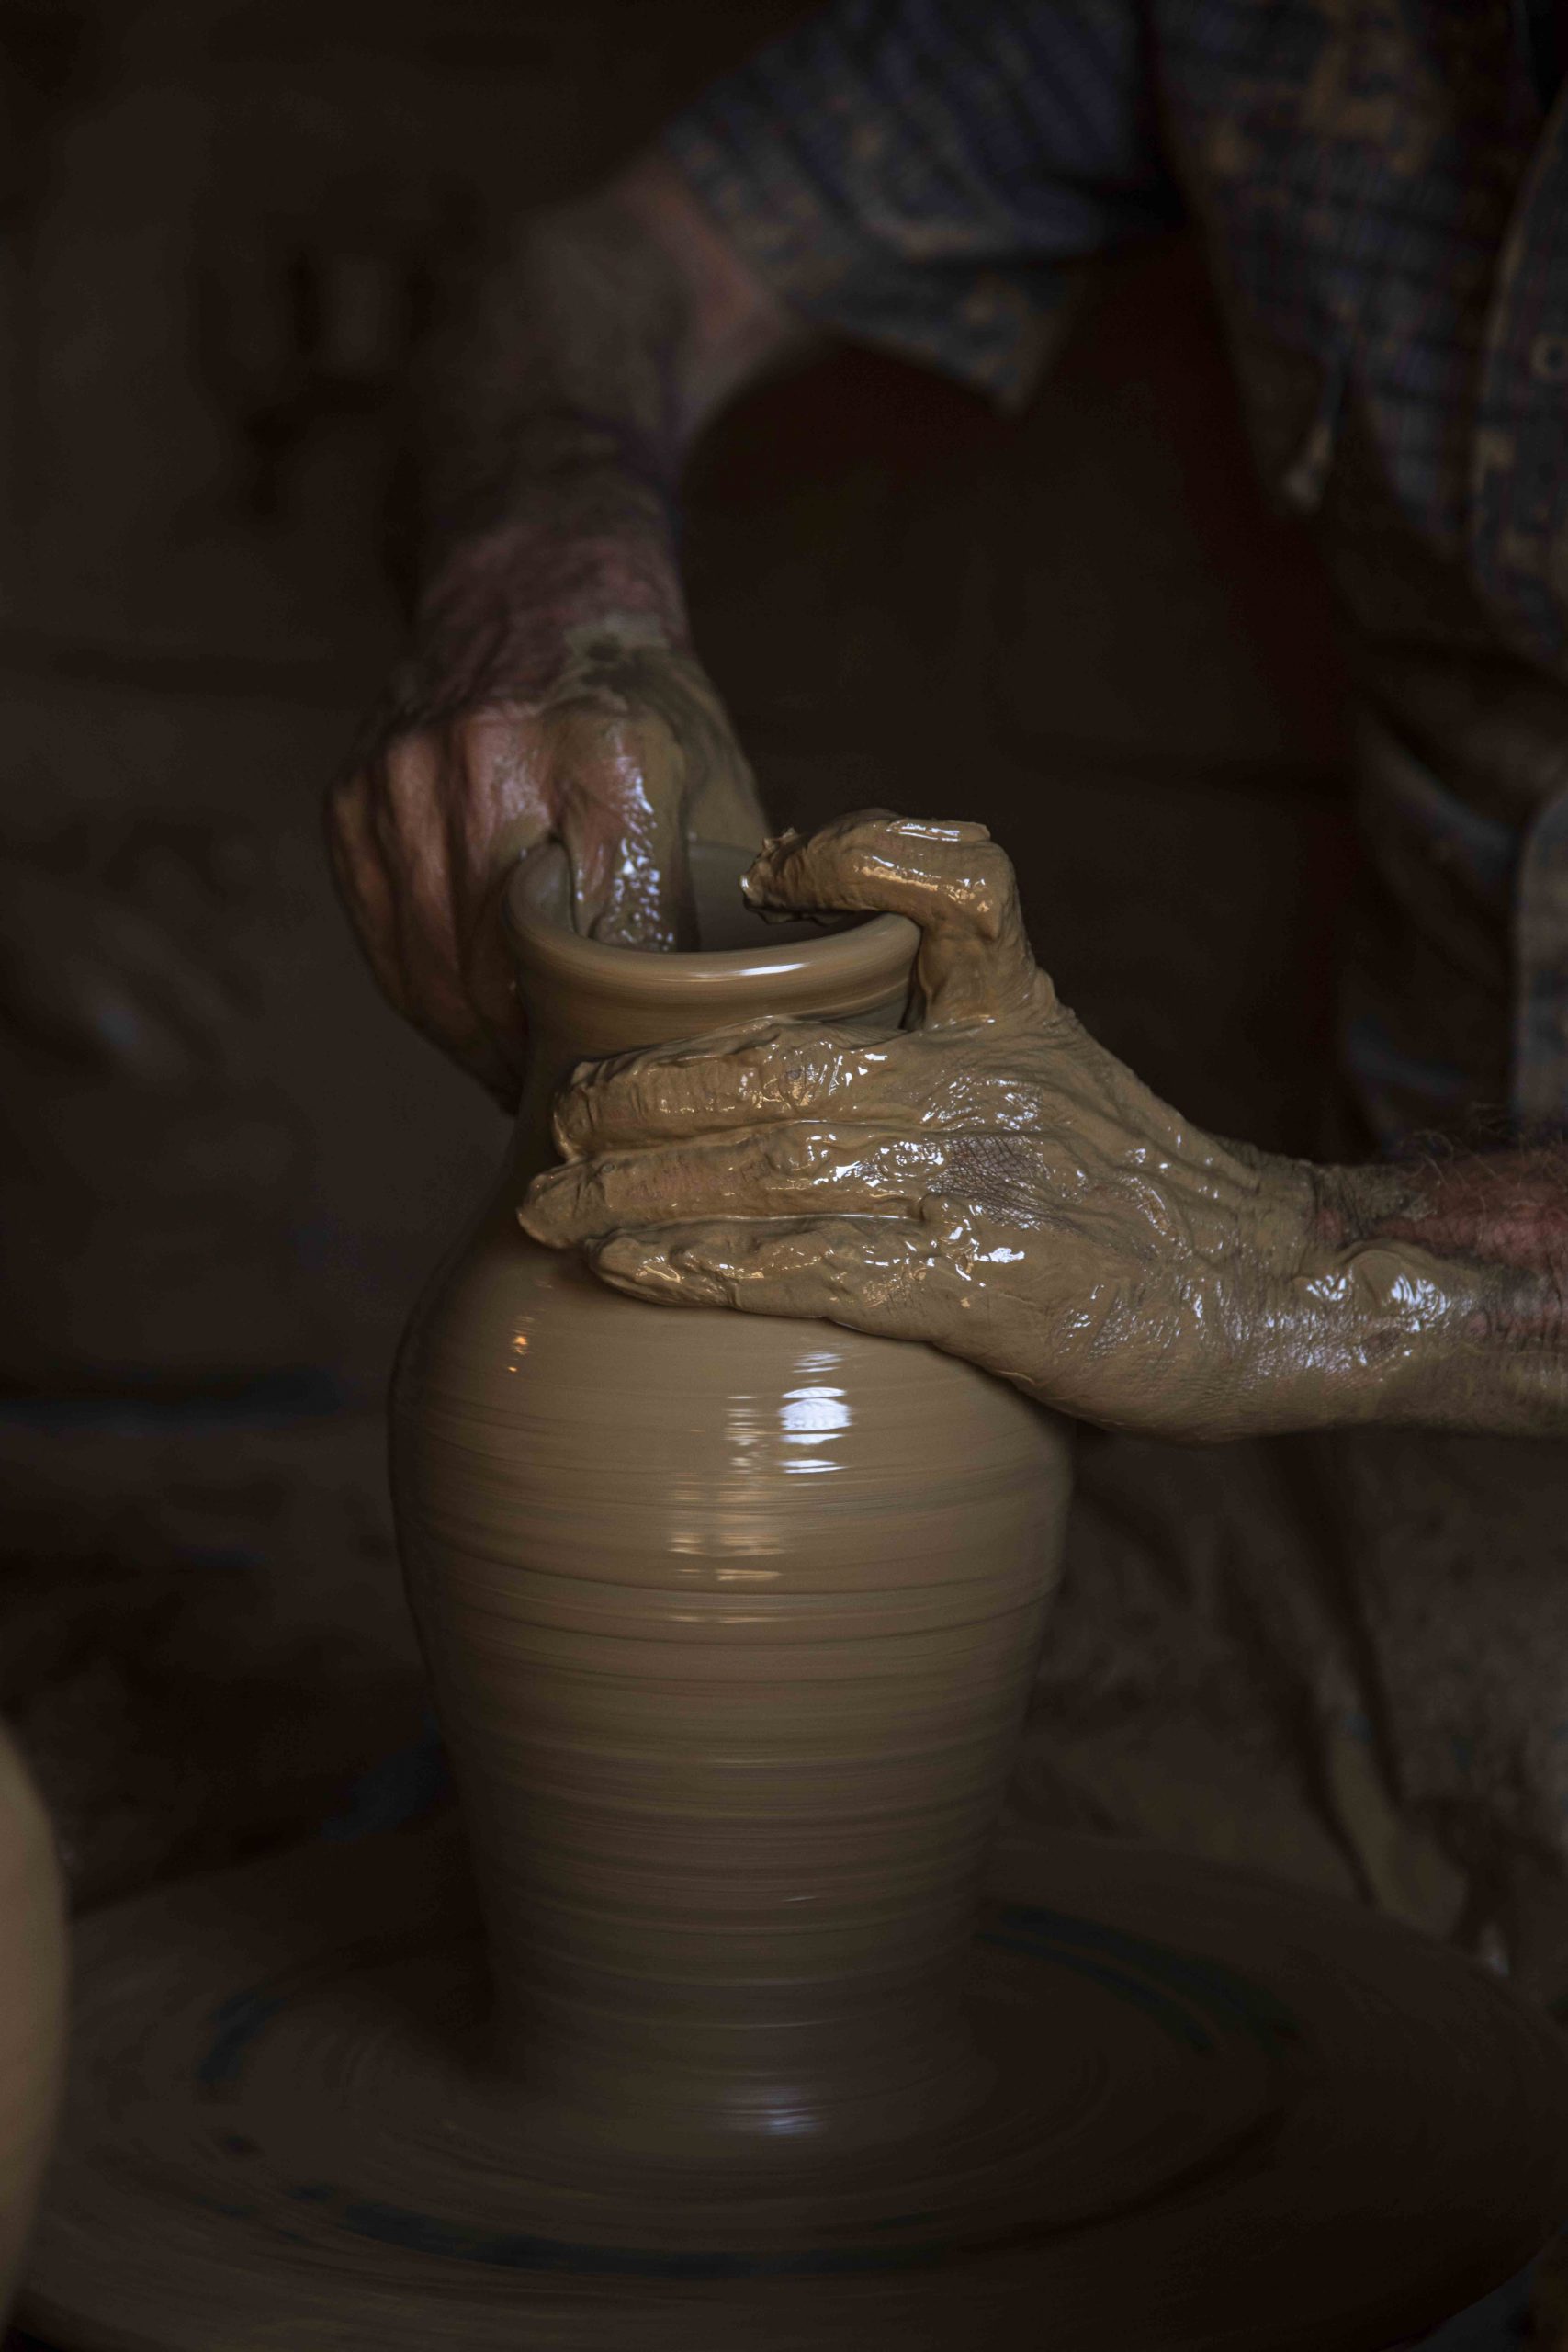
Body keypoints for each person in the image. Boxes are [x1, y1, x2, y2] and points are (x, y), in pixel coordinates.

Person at [330, 0, 1568, 1992]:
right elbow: (603, 263)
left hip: (1368, 1312)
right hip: (1373, 1474)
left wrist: (1296, 1270)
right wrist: (543, 570)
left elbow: (1274, 1284)